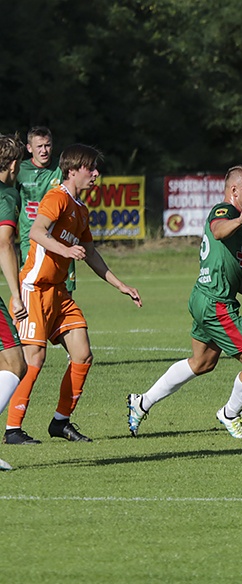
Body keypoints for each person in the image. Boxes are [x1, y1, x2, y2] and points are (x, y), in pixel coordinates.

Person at [127, 165, 242, 438]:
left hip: (204, 297)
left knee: (202, 363)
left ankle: (141, 402)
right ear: (235, 191)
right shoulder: (224, 211)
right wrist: (239, 220)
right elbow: (218, 230)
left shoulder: (238, 224)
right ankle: (230, 414)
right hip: (216, 304)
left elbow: (235, 276)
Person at [4, 144, 141, 444]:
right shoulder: (57, 198)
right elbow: (37, 232)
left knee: (82, 354)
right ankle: (13, 429)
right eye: (90, 168)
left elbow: (91, 253)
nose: (95, 174)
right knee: (34, 359)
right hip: (34, 289)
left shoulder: (81, 210)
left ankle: (60, 422)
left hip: (59, 293)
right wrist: (66, 249)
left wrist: (121, 285)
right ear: (72, 170)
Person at [16, 126, 75, 292]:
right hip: (31, 241)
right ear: (29, 148)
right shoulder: (20, 170)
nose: (44, 150)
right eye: (39, 146)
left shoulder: (61, 168)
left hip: (61, 240)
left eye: (47, 145)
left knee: (63, 292)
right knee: (32, 289)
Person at [0, 135, 29, 467]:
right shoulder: (6, 194)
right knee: (16, 364)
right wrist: (16, 291)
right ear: (12, 165)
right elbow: (5, 243)